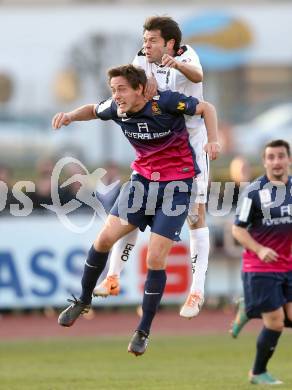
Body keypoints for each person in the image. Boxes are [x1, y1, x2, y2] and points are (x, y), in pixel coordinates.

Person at [52, 64, 218, 356]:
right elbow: (93, 109)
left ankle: (143, 331)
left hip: (176, 185)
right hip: (141, 183)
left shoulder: (165, 103)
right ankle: (82, 300)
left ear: (140, 89)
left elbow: (206, 108)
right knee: (103, 239)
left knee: (155, 258)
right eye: (113, 89)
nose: (116, 95)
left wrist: (213, 140)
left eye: (122, 89)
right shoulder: (116, 109)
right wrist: (69, 116)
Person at [93, 16, 220, 319]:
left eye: (151, 40)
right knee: (135, 209)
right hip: (157, 141)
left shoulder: (186, 56)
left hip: (189, 142)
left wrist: (174, 66)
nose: (145, 45)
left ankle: (196, 290)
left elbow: (198, 77)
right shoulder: (141, 58)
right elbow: (127, 84)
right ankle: (112, 277)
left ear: (170, 44)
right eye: (145, 39)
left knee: (195, 215)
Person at [231, 139, 291, 384]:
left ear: (288, 159)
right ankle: (257, 372)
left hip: (289, 266)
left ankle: (248, 308)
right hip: (260, 266)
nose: (276, 161)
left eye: (281, 156)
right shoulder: (254, 192)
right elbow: (238, 230)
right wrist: (259, 248)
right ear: (265, 161)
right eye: (271, 157)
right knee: (275, 323)